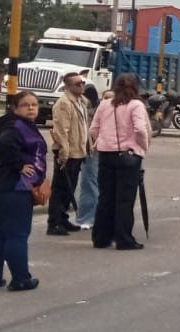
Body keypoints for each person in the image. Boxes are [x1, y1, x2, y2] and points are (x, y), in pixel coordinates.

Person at [0, 90, 46, 291]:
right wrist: (19, 164)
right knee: (17, 235)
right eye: (25, 105)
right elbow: (5, 144)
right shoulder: (15, 126)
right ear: (14, 107)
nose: (31, 108)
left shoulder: (20, 125)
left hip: (3, 188)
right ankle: (20, 278)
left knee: (1, 234)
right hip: (14, 188)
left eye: (34, 105)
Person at [90, 72, 150, 250]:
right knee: (124, 199)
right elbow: (140, 129)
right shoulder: (135, 105)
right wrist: (142, 147)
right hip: (128, 155)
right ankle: (123, 238)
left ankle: (101, 238)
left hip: (106, 154)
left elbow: (94, 128)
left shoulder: (105, 104)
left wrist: (99, 142)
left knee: (105, 197)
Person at [46, 71, 90, 236]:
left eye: (82, 83)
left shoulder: (80, 102)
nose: (82, 86)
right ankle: (54, 222)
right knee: (60, 188)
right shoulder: (64, 103)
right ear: (68, 87)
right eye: (78, 84)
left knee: (70, 187)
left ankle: (63, 218)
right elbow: (61, 130)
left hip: (78, 151)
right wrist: (64, 152)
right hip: (68, 152)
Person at [75, 81, 102, 229]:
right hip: (93, 149)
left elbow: (91, 132)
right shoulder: (96, 110)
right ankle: (90, 216)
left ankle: (87, 218)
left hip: (91, 149)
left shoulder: (89, 112)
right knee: (91, 182)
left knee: (89, 182)